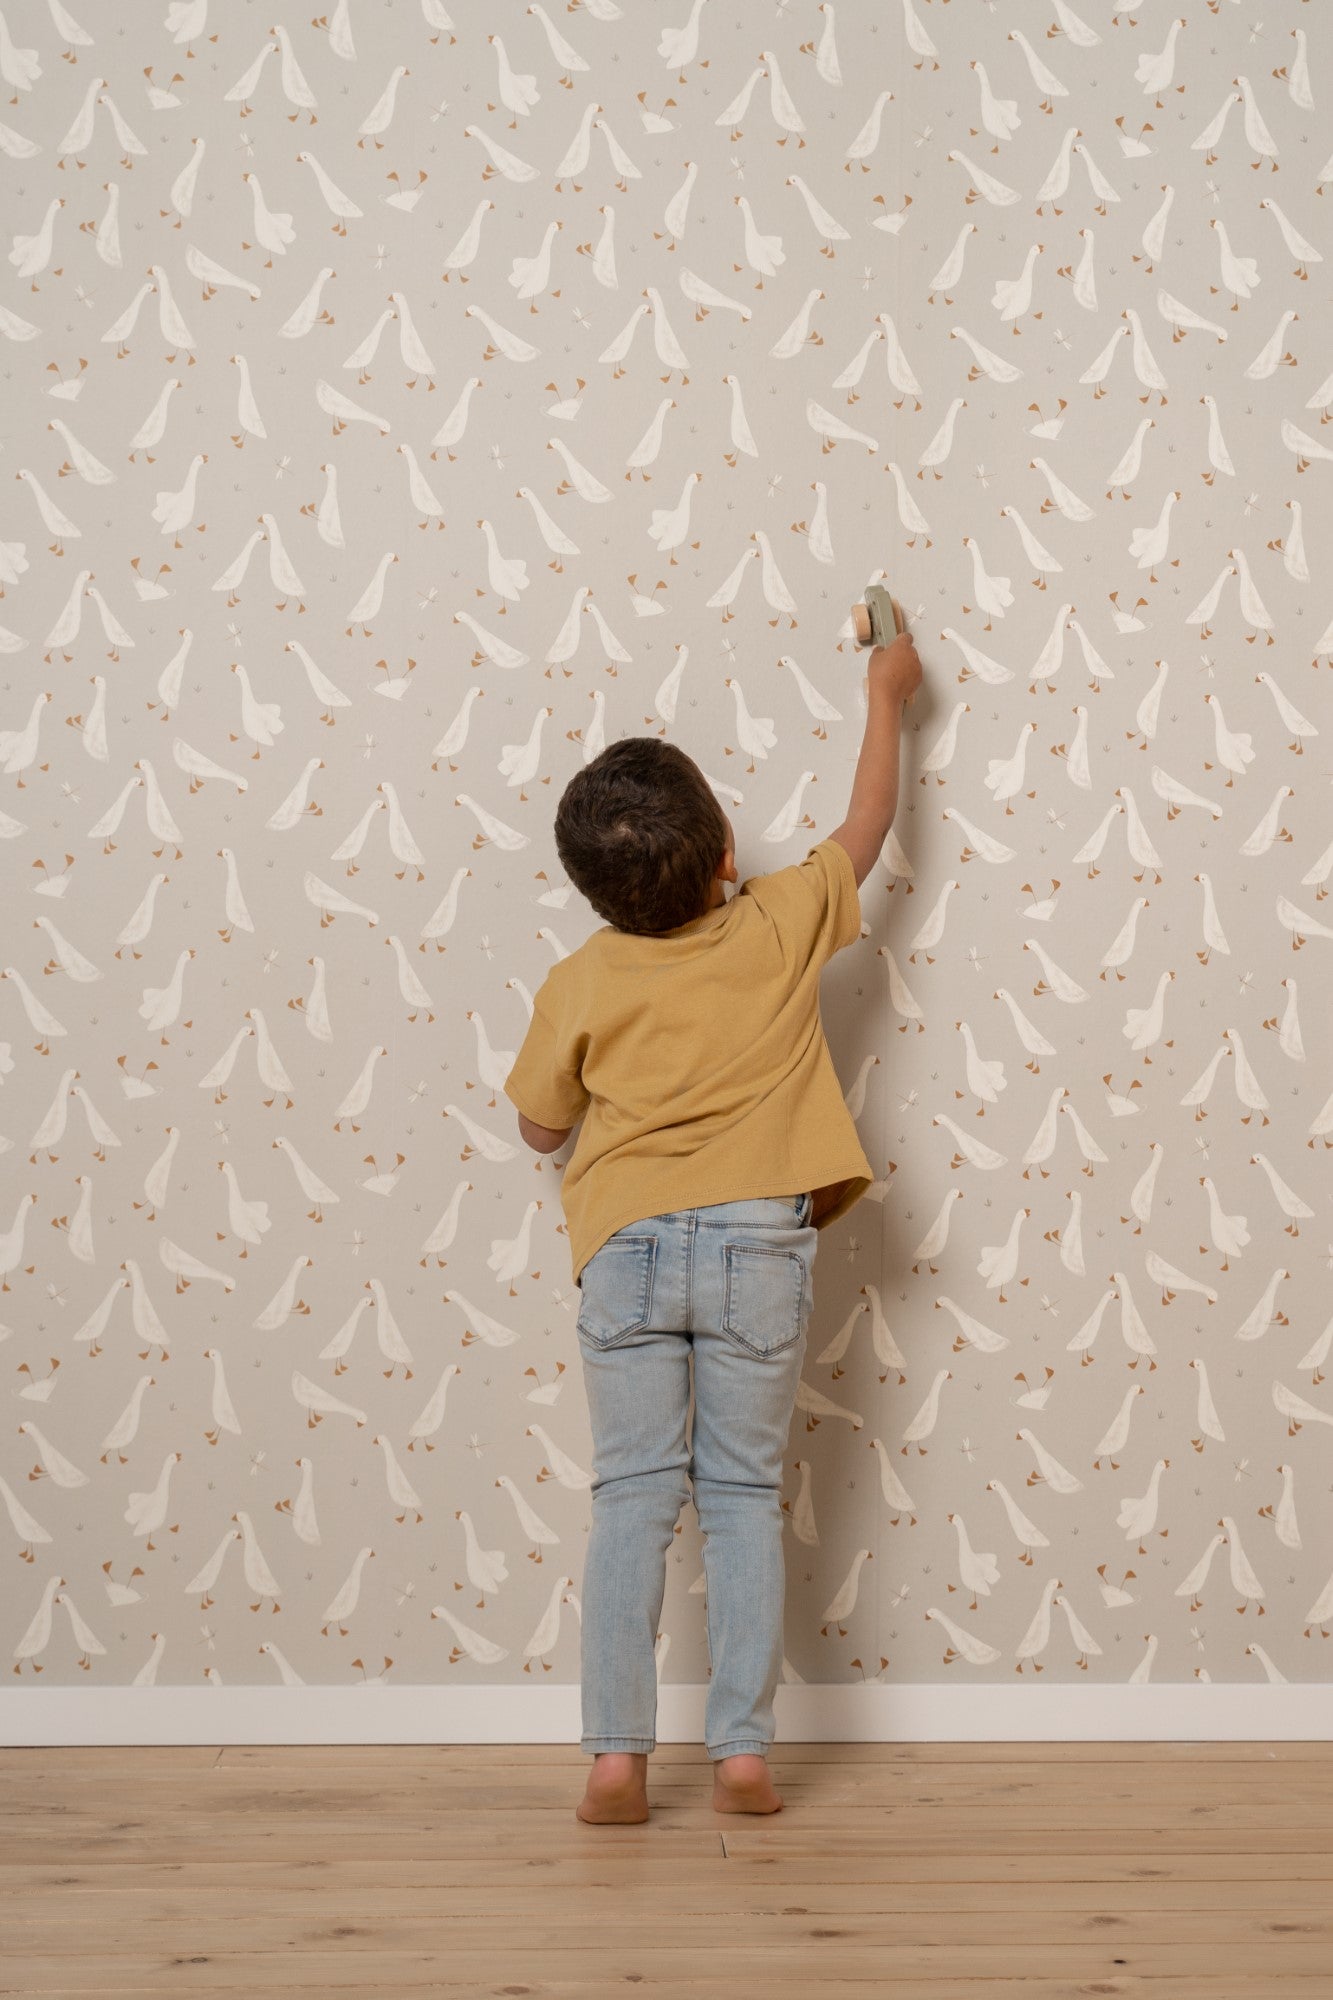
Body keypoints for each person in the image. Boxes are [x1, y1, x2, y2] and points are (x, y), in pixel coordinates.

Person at [503, 627, 924, 1825]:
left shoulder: (581, 977)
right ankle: (741, 1752)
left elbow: (538, 1127)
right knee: (739, 1493)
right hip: (756, 1246)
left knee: (630, 1498)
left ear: (594, 891)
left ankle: (615, 1759)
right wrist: (885, 694)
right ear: (728, 852)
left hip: (627, 1249)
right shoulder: (778, 921)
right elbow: (868, 825)